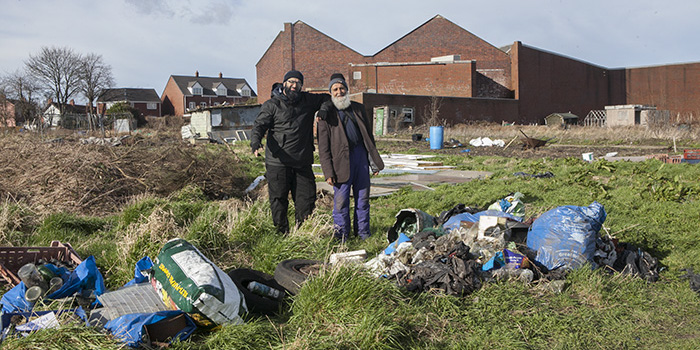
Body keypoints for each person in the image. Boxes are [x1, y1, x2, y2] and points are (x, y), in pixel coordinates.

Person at [251, 70, 329, 234]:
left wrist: (323, 110)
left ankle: (303, 234)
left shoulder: (307, 100)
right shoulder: (272, 105)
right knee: (278, 200)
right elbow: (259, 125)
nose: (294, 85)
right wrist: (255, 142)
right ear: (284, 83)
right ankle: (281, 234)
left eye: (298, 83)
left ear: (301, 85)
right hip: (278, 162)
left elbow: (327, 98)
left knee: (306, 200)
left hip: (302, 162)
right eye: (291, 82)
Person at [317, 73, 384, 241]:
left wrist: (373, 163)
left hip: (360, 157)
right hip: (339, 162)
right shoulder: (326, 115)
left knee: (363, 199)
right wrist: (328, 172)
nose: (339, 92)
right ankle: (341, 236)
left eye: (342, 88)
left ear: (347, 90)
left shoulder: (358, 109)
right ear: (330, 93)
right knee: (341, 202)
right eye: (335, 89)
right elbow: (323, 148)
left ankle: (363, 234)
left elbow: (368, 137)